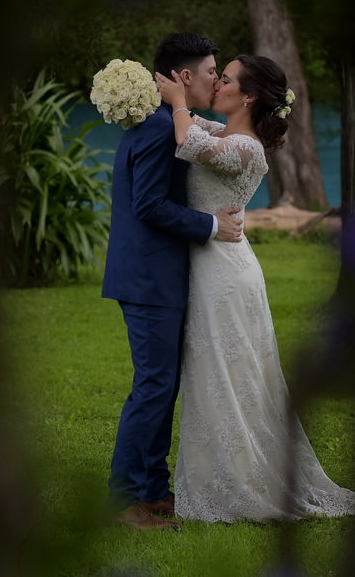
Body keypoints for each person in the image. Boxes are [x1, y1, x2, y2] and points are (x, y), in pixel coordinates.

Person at [155, 55, 355, 522]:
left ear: (247, 96)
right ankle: (222, 473)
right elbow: (196, 126)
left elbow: (186, 139)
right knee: (219, 374)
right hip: (216, 265)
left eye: (224, 79)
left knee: (229, 375)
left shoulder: (247, 148)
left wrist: (176, 104)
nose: (217, 83)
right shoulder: (225, 132)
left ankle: (238, 483)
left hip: (225, 275)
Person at [102, 32, 245, 530]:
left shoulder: (167, 122)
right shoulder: (160, 129)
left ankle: (154, 491)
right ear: (184, 77)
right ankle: (123, 501)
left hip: (155, 276)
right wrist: (212, 226)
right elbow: (149, 205)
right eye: (210, 71)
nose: (215, 79)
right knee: (153, 386)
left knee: (162, 386)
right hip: (149, 279)